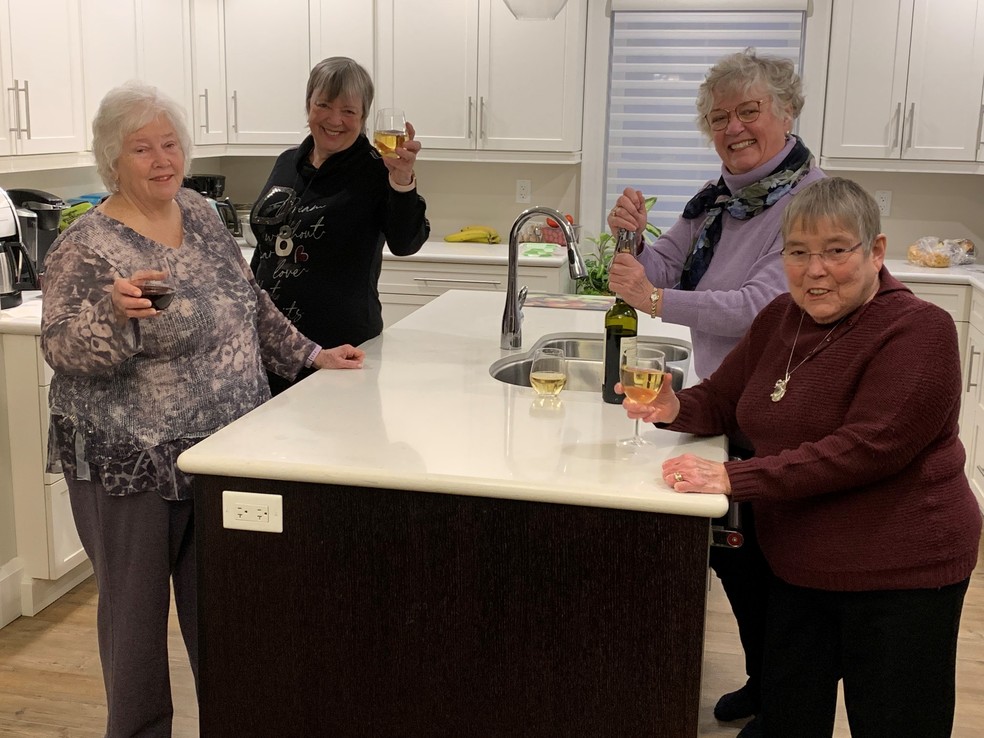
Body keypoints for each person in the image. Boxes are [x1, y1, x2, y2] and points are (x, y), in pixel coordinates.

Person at [40, 81, 365, 738]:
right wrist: (112, 315)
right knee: (133, 628)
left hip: (220, 453)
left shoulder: (203, 214)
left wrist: (310, 355)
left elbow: (248, 305)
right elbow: (61, 348)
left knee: (227, 617)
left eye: (169, 145)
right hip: (129, 462)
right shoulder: (88, 247)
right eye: (142, 149)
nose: (162, 160)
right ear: (114, 160)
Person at [620, 176, 981, 738]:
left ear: (875, 251)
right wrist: (673, 406)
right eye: (798, 252)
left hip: (900, 572)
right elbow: (724, 398)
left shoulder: (919, 330)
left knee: (894, 722)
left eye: (836, 251)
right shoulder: (779, 320)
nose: (815, 270)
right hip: (798, 561)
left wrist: (735, 477)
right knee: (787, 716)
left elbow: (866, 448)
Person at [607, 48, 825, 736]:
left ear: (785, 113)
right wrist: (630, 238)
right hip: (732, 396)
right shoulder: (720, 197)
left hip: (789, 405)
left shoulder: (808, 198)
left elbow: (764, 304)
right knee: (736, 558)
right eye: (719, 117)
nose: (732, 128)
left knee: (782, 570)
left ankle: (787, 705)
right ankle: (766, 683)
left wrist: (656, 299)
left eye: (748, 112)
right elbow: (663, 263)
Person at [250, 56, 430, 396]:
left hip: (339, 349)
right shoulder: (287, 162)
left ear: (363, 117)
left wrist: (403, 180)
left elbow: (407, 242)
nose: (335, 120)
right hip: (271, 342)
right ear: (308, 107)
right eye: (324, 105)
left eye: (348, 111)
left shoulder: (379, 171)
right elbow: (266, 248)